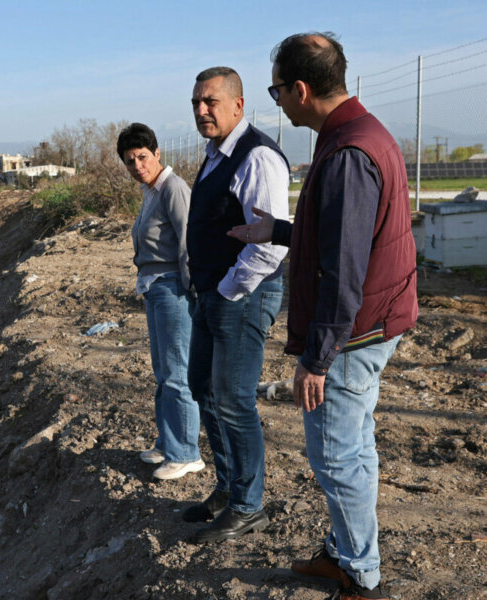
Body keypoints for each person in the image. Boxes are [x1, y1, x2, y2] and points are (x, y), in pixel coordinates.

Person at [228, 33, 418, 600]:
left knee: (335, 457)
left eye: (277, 92)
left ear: (301, 89)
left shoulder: (348, 153)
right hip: (373, 320)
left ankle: (361, 578)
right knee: (354, 447)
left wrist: (316, 359)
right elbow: (344, 237)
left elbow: (344, 271)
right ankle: (345, 552)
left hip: (353, 334)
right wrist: (281, 231)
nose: (279, 103)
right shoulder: (359, 134)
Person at [179, 67, 289, 543]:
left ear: (238, 104)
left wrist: (227, 289)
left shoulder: (256, 156)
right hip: (212, 294)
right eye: (196, 103)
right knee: (202, 386)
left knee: (233, 398)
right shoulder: (214, 155)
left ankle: (248, 506)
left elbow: (270, 243)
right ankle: (228, 489)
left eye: (211, 101)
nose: (202, 110)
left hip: (242, 295)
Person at [117, 123, 204, 480]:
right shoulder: (150, 191)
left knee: (176, 373)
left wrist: (193, 292)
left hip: (173, 288)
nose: (137, 166)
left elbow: (189, 244)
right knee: (163, 372)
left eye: (142, 157)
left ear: (157, 153)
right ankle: (168, 442)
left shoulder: (173, 188)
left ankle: (186, 454)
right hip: (154, 287)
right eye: (130, 161)